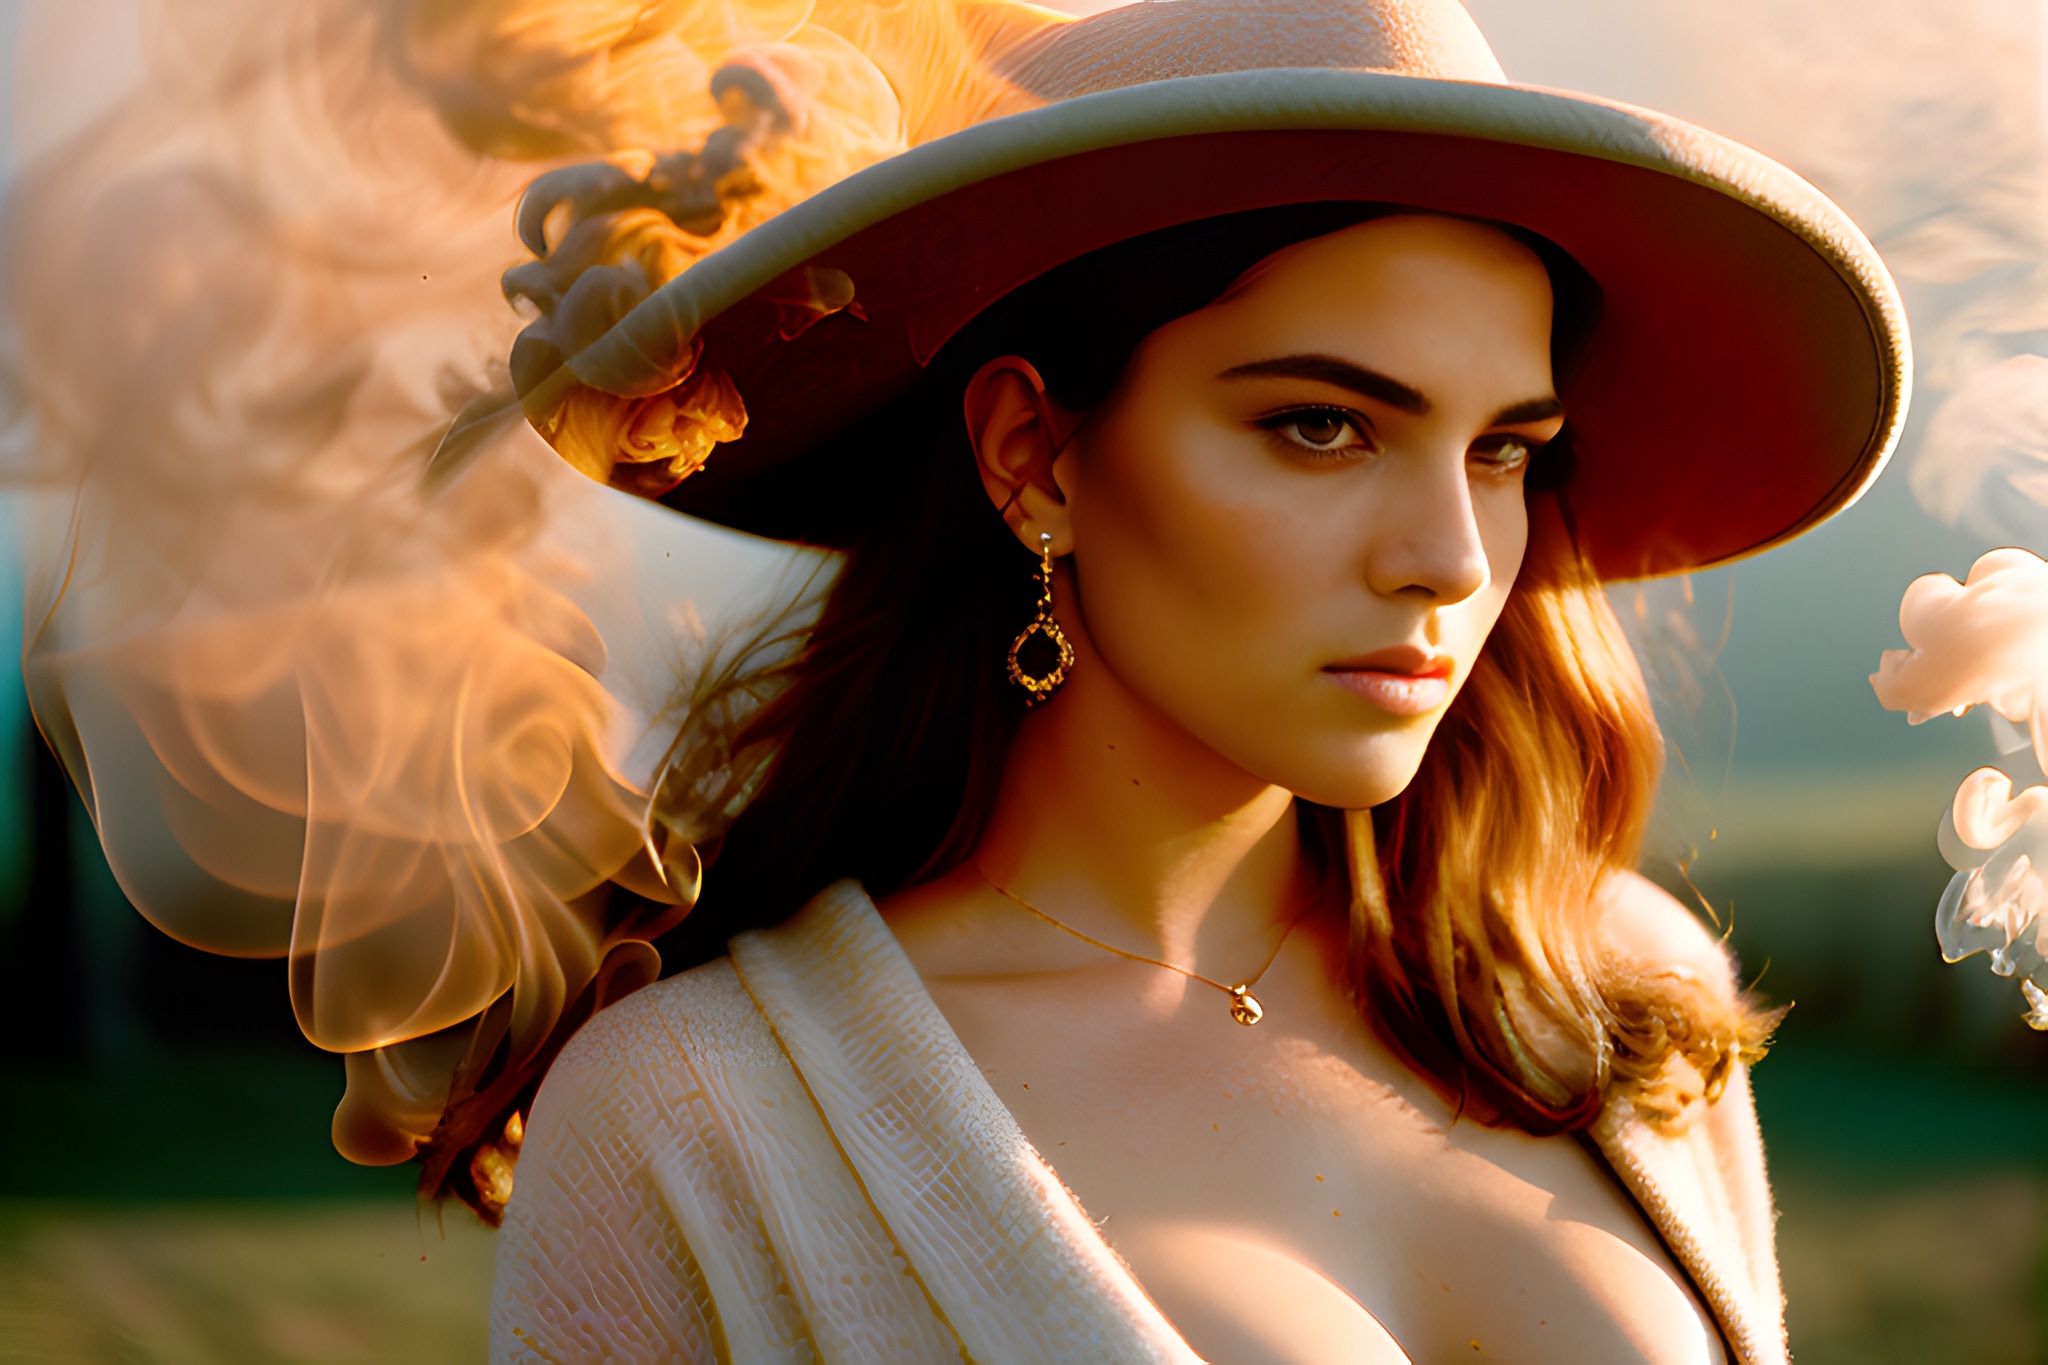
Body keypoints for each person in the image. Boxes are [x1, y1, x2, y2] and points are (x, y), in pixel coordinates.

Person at [7, 0, 1906, 1361]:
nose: (1451, 551)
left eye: (1504, 445)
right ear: (1036, 458)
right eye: (1325, 426)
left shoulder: (1622, 993)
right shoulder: (703, 1123)